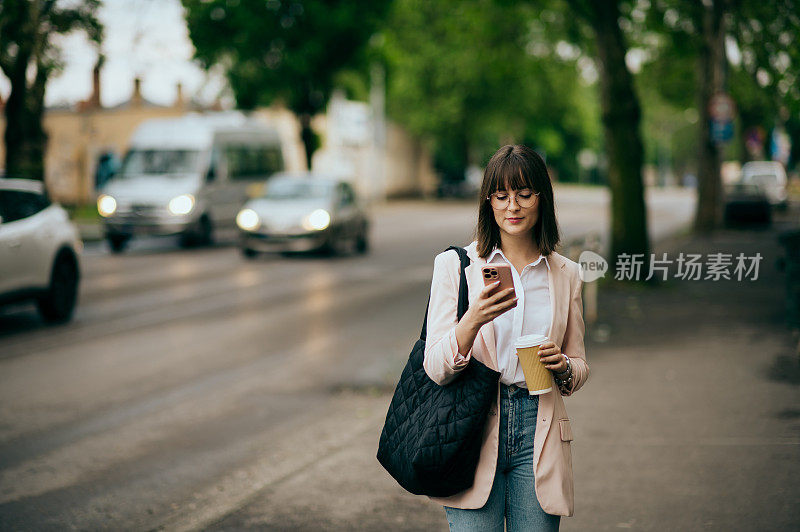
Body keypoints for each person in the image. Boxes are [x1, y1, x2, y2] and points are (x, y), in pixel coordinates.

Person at [423, 144, 589, 531]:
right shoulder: (455, 266)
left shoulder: (565, 274)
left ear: (541, 199)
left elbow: (579, 365)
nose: (512, 206)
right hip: (471, 423)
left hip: (538, 424)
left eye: (524, 194)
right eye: (501, 195)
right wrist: (473, 320)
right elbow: (435, 367)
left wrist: (562, 366)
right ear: (489, 202)